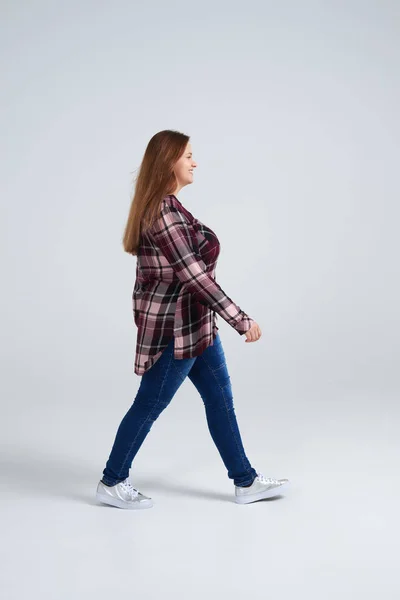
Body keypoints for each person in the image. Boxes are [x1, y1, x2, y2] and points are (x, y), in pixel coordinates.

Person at [95, 130, 289, 510]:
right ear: (169, 163)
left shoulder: (171, 207)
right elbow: (194, 276)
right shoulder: (163, 215)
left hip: (196, 325)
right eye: (188, 156)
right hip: (175, 331)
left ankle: (245, 481)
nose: (195, 162)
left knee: (221, 402)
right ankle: (112, 480)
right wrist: (242, 319)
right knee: (149, 405)